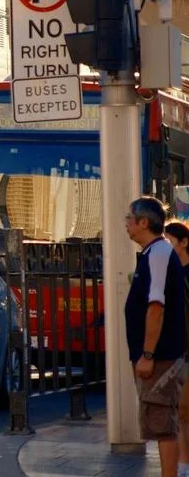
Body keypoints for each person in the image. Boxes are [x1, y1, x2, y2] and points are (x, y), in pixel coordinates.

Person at [126, 197, 186, 477]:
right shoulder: (152, 253)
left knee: (163, 424)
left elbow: (156, 306)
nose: (126, 224)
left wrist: (148, 354)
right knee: (159, 422)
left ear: (144, 222)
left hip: (159, 356)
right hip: (155, 355)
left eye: (130, 218)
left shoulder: (159, 253)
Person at [165, 220, 189, 477]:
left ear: (183, 243)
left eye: (170, 242)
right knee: (181, 411)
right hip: (175, 350)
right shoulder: (168, 273)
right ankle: (184, 463)